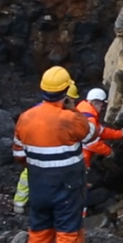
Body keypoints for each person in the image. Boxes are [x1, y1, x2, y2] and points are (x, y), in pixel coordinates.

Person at [13, 67, 98, 243]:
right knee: (68, 237)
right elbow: (92, 134)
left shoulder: (26, 117)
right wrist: (73, 110)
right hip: (68, 189)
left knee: (39, 235)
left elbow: (19, 154)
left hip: (39, 187)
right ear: (65, 92)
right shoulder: (70, 119)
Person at [13, 83, 80, 215]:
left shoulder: (42, 109)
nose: (73, 103)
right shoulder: (59, 114)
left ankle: (21, 204)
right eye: (72, 100)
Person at [77, 88, 123, 170]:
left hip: (77, 146)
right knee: (83, 162)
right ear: (95, 103)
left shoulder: (85, 112)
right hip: (78, 151)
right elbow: (91, 142)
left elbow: (101, 131)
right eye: (102, 105)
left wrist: (120, 134)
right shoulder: (90, 119)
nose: (103, 109)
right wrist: (108, 152)